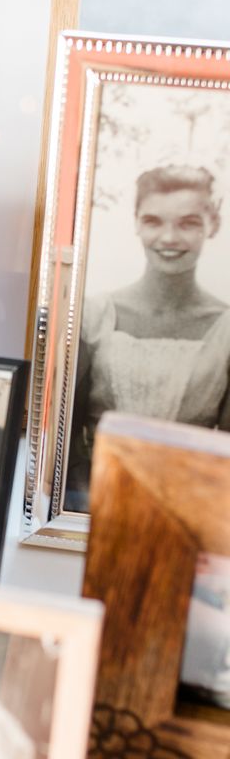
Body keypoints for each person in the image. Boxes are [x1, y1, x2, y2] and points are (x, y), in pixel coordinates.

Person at [67, 164, 230, 510]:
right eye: (154, 221)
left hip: (188, 514)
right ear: (137, 222)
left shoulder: (224, 328)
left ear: (212, 225)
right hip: (92, 504)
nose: (169, 238)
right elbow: (67, 440)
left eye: (188, 223)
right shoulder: (94, 315)